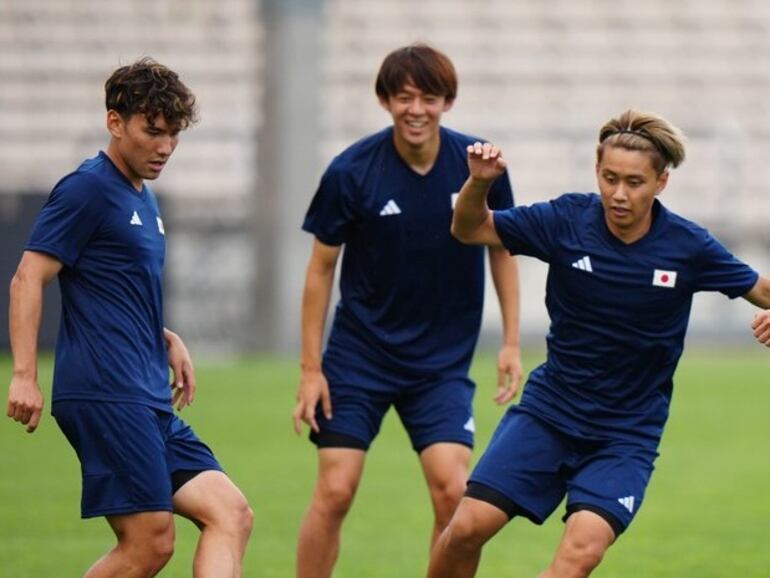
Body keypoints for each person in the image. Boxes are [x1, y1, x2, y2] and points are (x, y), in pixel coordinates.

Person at [427, 109, 770, 578]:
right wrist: (479, 183)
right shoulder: (567, 220)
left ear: (661, 183)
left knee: (580, 552)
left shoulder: (688, 246)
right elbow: (469, 228)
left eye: (634, 182)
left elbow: (762, 290)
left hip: (626, 433)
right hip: (550, 412)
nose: (619, 194)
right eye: (610, 178)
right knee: (466, 527)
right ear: (597, 172)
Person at [6, 58, 253, 578]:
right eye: (153, 131)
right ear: (115, 123)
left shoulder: (143, 195)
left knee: (230, 513)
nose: (165, 147)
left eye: (174, 134)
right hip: (105, 390)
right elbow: (28, 277)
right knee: (149, 543)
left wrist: (164, 336)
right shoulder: (87, 189)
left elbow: (113, 286)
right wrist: (25, 376)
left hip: (144, 389)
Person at [292, 43, 522, 578]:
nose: (416, 109)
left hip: (440, 363)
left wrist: (511, 341)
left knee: (453, 490)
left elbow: (503, 249)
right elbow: (320, 270)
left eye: (429, 97)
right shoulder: (351, 171)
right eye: (403, 97)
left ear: (448, 102)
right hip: (359, 357)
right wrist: (311, 370)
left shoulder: (480, 168)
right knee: (335, 488)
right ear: (384, 101)